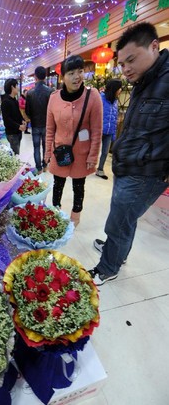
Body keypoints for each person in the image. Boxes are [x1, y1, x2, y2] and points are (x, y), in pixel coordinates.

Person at [90, 22, 169, 286]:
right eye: (122, 64)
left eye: (131, 60)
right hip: (128, 165)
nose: (125, 70)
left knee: (119, 221)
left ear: (154, 46)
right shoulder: (144, 80)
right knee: (124, 217)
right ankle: (117, 252)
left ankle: (108, 267)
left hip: (147, 172)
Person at [45, 55, 103, 227]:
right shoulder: (54, 98)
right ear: (63, 77)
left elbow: (97, 131)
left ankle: (75, 218)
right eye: (71, 73)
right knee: (58, 184)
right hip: (60, 151)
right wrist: (47, 152)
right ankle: (55, 214)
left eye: (80, 71)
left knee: (79, 187)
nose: (77, 76)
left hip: (81, 154)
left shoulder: (93, 97)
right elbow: (50, 129)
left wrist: (93, 156)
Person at [25, 66, 54, 174]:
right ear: (45, 76)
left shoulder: (30, 93)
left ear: (35, 76)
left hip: (35, 125)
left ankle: (39, 168)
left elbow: (27, 111)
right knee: (46, 146)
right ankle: (45, 165)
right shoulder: (51, 91)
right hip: (47, 125)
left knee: (36, 147)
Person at [96, 79, 123, 180]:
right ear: (114, 89)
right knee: (91, 150)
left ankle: (100, 169)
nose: (120, 90)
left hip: (109, 131)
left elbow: (114, 118)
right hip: (98, 131)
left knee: (105, 152)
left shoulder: (115, 101)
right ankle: (84, 167)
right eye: (119, 88)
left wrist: (113, 134)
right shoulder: (100, 98)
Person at [1, 78, 26, 155]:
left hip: (17, 132)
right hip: (12, 133)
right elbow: (7, 120)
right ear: (12, 87)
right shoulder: (5, 102)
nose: (18, 88)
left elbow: (18, 113)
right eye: (17, 86)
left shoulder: (14, 100)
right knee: (15, 155)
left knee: (16, 153)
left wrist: (22, 120)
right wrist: (18, 126)